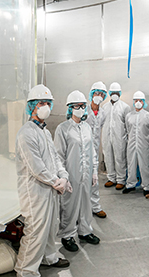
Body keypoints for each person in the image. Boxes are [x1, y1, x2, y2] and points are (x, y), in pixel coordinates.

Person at [15, 84, 72, 276]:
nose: (46, 106)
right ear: (32, 106)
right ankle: (26, 270)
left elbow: (55, 158)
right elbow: (37, 168)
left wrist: (63, 176)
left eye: (48, 103)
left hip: (49, 188)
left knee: (51, 227)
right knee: (36, 231)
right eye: (41, 103)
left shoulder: (45, 132)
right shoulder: (26, 133)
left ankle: (49, 258)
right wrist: (57, 181)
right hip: (35, 192)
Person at [54, 90, 100, 252]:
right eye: (76, 106)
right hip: (71, 175)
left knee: (86, 204)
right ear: (69, 108)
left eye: (82, 106)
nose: (80, 109)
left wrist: (94, 171)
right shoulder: (63, 129)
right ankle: (67, 235)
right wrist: (63, 177)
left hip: (86, 174)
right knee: (69, 205)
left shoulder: (87, 127)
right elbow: (58, 156)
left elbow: (92, 151)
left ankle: (85, 231)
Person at [123, 91, 149, 195]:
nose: (138, 102)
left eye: (140, 100)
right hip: (131, 143)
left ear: (144, 102)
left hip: (144, 144)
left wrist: (147, 140)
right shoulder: (128, 116)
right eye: (136, 100)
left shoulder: (148, 116)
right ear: (133, 102)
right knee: (131, 164)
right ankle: (130, 184)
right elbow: (127, 129)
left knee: (145, 165)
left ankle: (147, 186)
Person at [101, 82, 131, 190]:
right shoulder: (104, 107)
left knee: (120, 158)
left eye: (116, 92)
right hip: (106, 136)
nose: (114, 94)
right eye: (112, 92)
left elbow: (128, 124)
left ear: (120, 93)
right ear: (109, 93)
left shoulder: (125, 107)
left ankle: (121, 179)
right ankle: (111, 178)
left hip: (120, 137)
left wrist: (126, 137)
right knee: (108, 157)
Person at [86, 81, 108, 218]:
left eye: (101, 94)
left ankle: (95, 206)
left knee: (94, 179)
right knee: (80, 179)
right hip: (82, 150)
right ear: (91, 94)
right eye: (96, 93)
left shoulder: (103, 113)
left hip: (95, 150)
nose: (98, 96)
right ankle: (81, 207)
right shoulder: (84, 110)